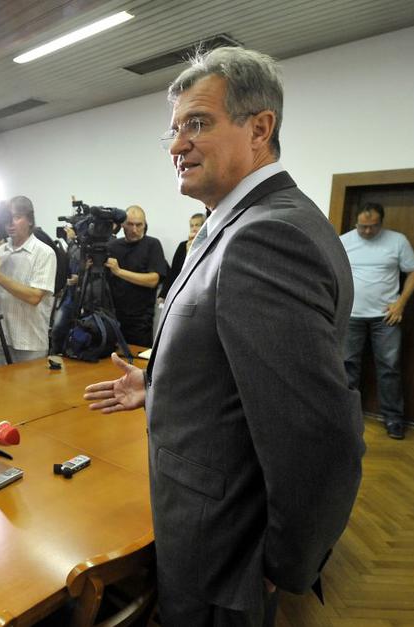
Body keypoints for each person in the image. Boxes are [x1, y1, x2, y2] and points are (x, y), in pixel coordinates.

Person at [84, 47, 364, 626]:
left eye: (198, 123)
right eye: (174, 130)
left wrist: (281, 566)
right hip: (212, 530)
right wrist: (158, 384)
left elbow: (319, 440)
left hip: (223, 550)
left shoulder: (266, 238)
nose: (177, 144)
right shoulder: (242, 223)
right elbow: (238, 372)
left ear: (260, 128)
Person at [341, 202, 414, 440]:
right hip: (351, 315)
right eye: (362, 226)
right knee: (347, 366)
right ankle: (345, 417)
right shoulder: (344, 241)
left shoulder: (397, 241)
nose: (367, 231)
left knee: (389, 368)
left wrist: (401, 303)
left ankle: (394, 419)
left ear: (381, 223)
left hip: (386, 317)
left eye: (373, 226)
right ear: (356, 223)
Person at [0, 196, 56, 365]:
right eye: (7, 219)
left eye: (16, 217)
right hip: (0, 338)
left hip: (29, 342)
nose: (10, 223)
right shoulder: (0, 251)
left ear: (30, 220)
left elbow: (34, 297)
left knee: (30, 384)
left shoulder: (44, 253)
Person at [105, 205, 167, 346]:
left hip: (140, 320)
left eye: (139, 225)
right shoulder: (112, 246)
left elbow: (153, 280)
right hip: (113, 316)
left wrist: (119, 271)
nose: (134, 230)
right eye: (130, 224)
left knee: (138, 357)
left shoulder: (152, 244)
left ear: (145, 225)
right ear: (122, 225)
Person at [159, 213, 207, 301]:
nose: (194, 229)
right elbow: (174, 272)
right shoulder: (182, 246)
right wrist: (163, 294)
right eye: (191, 226)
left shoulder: (208, 245)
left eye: (197, 225)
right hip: (182, 291)